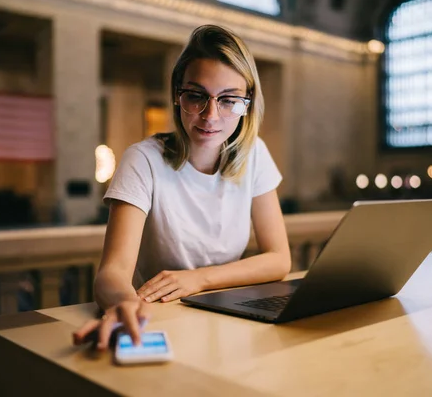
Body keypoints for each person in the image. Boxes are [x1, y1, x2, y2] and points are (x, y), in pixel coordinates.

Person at [72, 24, 291, 349]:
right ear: (177, 94)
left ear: (248, 103)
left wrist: (198, 279)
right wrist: (122, 303)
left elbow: (279, 258)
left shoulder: (254, 154)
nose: (210, 115)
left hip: (226, 320)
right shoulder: (142, 160)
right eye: (196, 96)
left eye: (229, 100)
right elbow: (112, 273)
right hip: (160, 318)